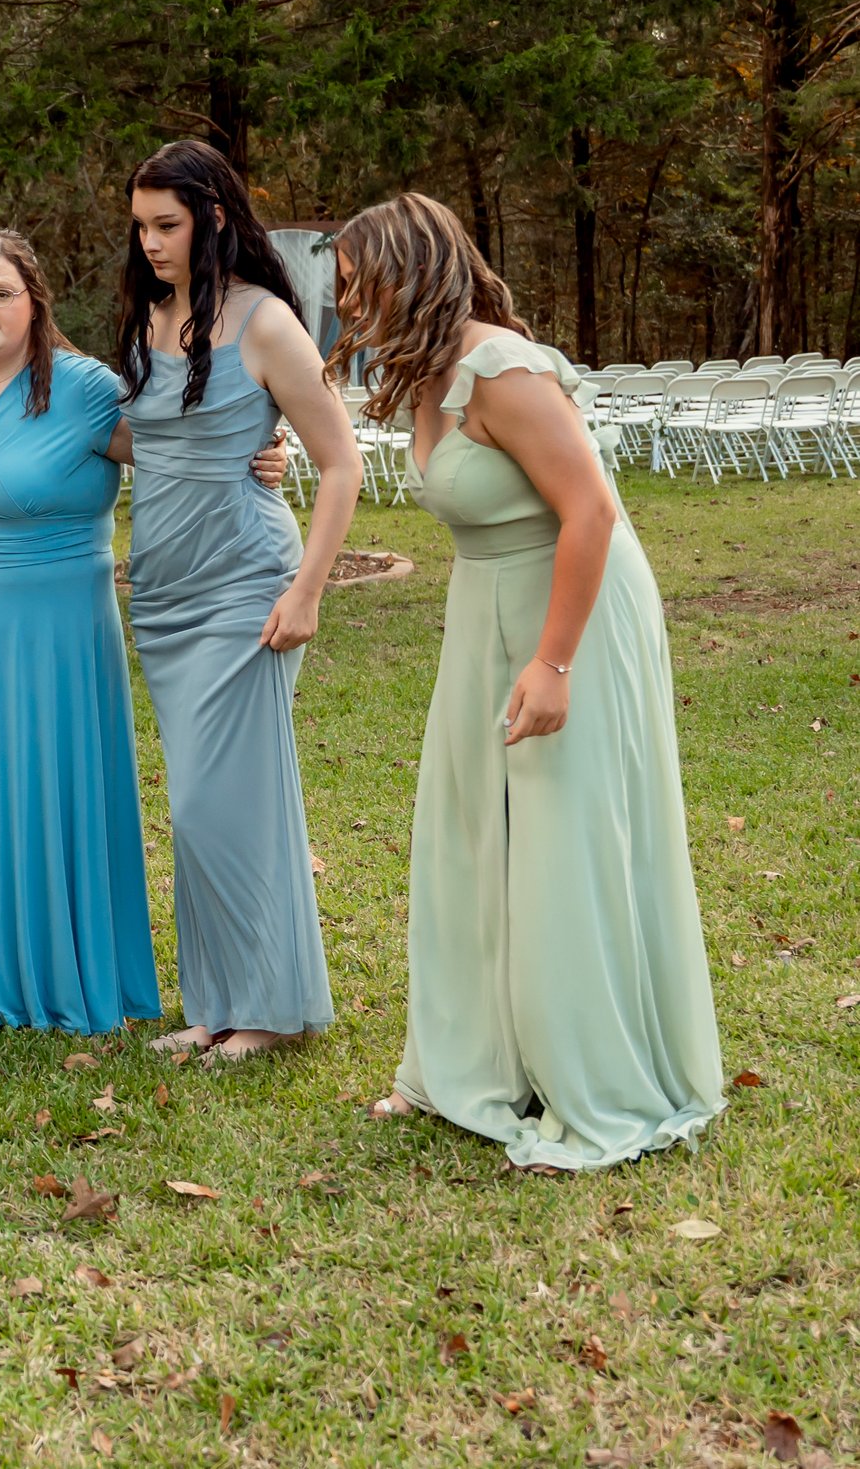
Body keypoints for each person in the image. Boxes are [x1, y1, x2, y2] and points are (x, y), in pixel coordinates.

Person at [335, 194, 724, 1168]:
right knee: (471, 836)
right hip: (483, 612)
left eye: (356, 282)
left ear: (410, 272)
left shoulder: (499, 368)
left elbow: (590, 512)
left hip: (570, 611)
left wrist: (552, 664)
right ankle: (465, 1065)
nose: (344, 304)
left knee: (557, 841)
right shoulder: (425, 372)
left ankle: (591, 1073)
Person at [115, 140, 363, 1064]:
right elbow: (150, 444)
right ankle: (215, 1003)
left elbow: (342, 463)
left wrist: (308, 592)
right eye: (141, 227)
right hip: (165, 597)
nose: (150, 244)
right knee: (196, 803)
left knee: (227, 802)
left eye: (167, 225)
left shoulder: (265, 323)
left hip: (247, 585)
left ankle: (269, 1006)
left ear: (214, 218)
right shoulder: (149, 321)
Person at [0, 229, 161, 1035]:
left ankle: (60, 968)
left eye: (2, 293)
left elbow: (178, 451)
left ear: (34, 302)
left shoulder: (86, 389)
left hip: (59, 631)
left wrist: (263, 453)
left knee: (52, 782)